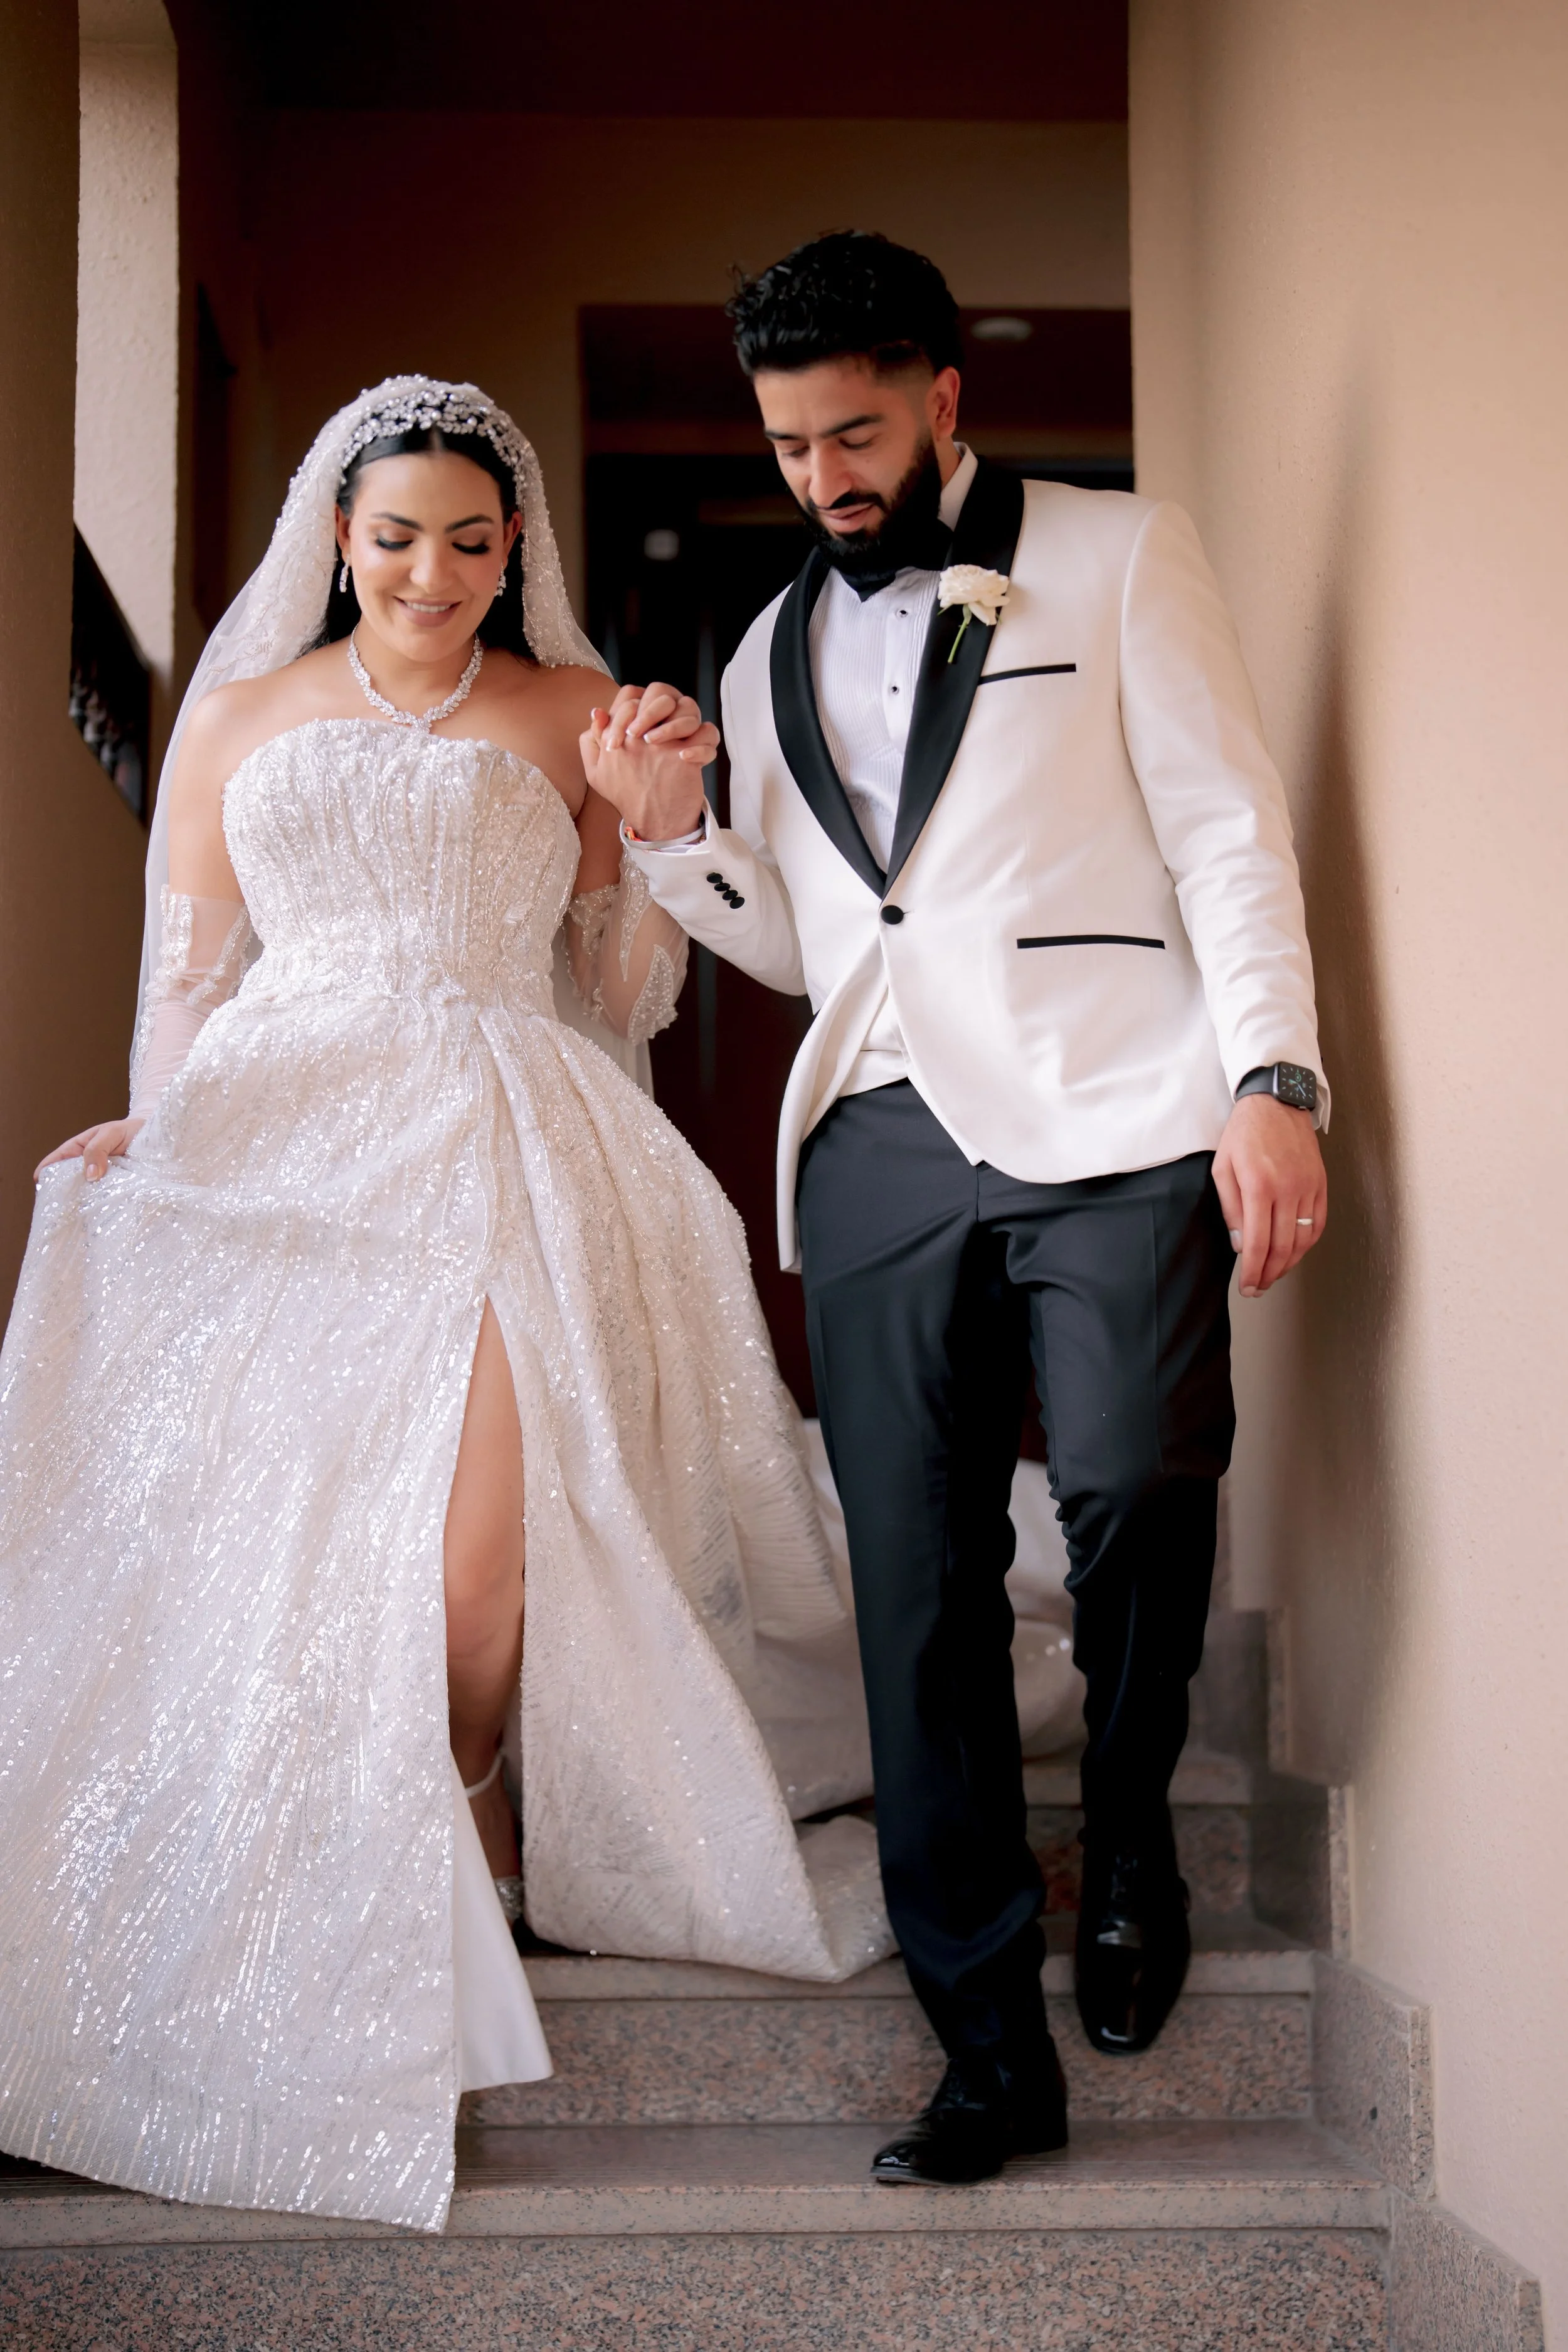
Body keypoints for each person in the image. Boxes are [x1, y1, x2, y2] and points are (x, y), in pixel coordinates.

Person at [0, 377, 895, 2237]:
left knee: (476, 1569)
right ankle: (379, 1855)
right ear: (339, 537)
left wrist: (656, 822)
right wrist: (160, 1139)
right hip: (283, 1141)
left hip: (501, 1126)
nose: (432, 572)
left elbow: (624, 993)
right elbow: (189, 984)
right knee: (300, 1545)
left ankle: (481, 1788)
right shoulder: (239, 716)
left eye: (472, 542)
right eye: (398, 536)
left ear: (515, 549)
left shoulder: (576, 711)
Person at [595, 235, 1330, 2186]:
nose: (823, 476)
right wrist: (674, 846)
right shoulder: (760, 648)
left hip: (1121, 1100)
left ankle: (1134, 1825)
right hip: (878, 1143)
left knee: (1134, 1481)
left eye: (853, 433)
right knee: (914, 1590)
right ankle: (985, 2046)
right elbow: (806, 941)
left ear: (939, 397)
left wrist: (1273, 1078)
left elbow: (1227, 833)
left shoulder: (1118, 552)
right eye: (787, 445)